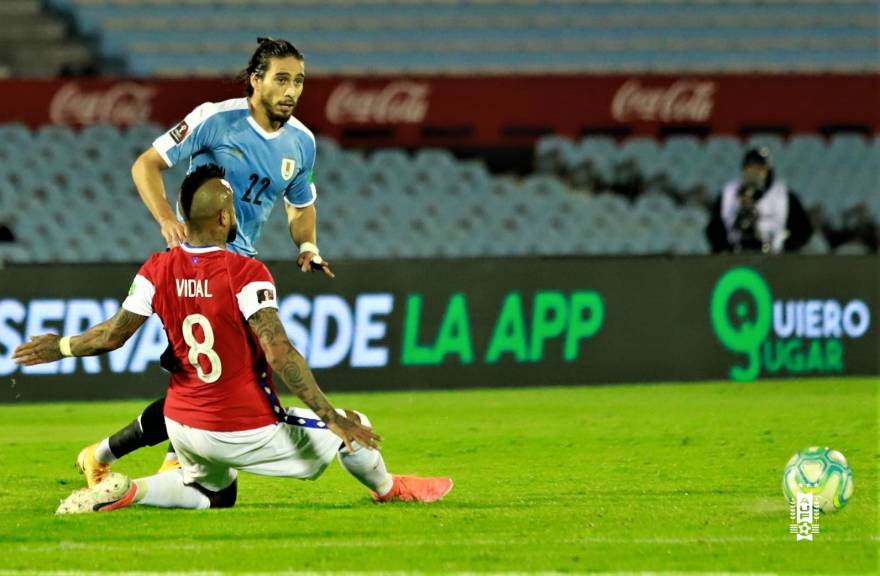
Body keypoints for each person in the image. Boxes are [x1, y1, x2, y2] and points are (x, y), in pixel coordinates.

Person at [13, 165, 453, 513]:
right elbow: (279, 353)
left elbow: (111, 335)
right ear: (225, 217)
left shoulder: (156, 268)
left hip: (183, 426)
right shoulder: (245, 273)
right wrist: (332, 418)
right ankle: (390, 489)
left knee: (215, 495)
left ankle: (129, 491)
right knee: (354, 425)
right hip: (241, 426)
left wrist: (62, 346)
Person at [75, 38, 336, 487]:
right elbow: (146, 165)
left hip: (240, 269)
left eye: (299, 81)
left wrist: (307, 246)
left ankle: (108, 455)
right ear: (256, 81)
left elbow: (301, 205)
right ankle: (172, 461)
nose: (292, 90)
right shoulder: (213, 119)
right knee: (217, 382)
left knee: (206, 381)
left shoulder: (302, 143)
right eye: (281, 79)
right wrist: (164, 220)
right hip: (193, 266)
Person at [705, 146, 812, 253]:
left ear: (768, 170)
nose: (754, 173)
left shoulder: (784, 195)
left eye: (760, 168)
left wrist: (786, 247)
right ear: (743, 170)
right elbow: (714, 229)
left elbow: (803, 229)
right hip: (735, 256)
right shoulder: (729, 193)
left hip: (775, 258)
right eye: (750, 168)